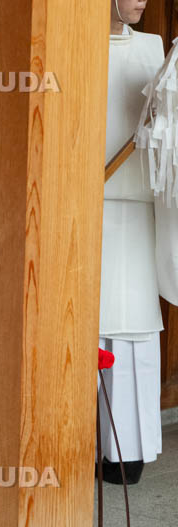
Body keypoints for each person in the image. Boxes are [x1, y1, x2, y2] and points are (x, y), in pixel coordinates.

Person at [100, 0, 178, 484]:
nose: (143, 1)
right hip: (85, 203)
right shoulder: (75, 52)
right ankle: (79, 443)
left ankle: (125, 454)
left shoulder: (155, 48)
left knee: (131, 326)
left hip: (138, 204)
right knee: (86, 325)